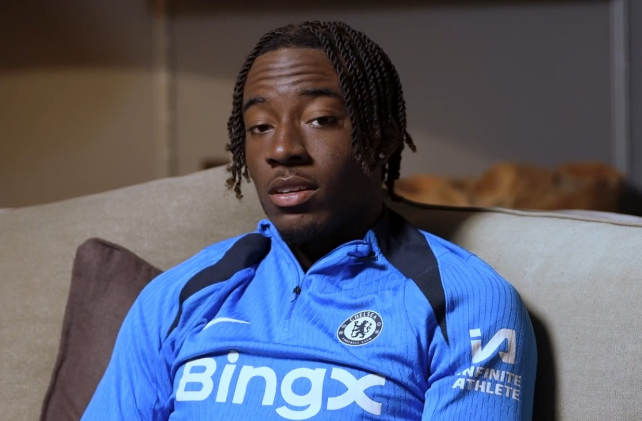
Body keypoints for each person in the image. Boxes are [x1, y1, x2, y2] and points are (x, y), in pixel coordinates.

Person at [82, 21, 537, 420]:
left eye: (319, 119)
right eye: (260, 126)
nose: (282, 149)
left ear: (382, 139)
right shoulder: (179, 296)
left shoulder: (464, 304)